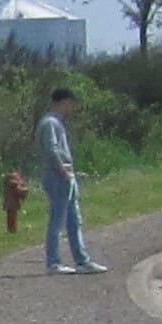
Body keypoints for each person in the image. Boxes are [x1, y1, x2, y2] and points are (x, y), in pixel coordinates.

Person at [38, 84, 100, 273]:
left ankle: (82, 261)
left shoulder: (57, 123)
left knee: (74, 220)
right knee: (57, 220)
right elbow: (52, 150)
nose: (72, 108)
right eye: (70, 103)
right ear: (63, 102)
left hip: (66, 175)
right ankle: (54, 263)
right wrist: (63, 171)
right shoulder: (50, 123)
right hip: (57, 177)